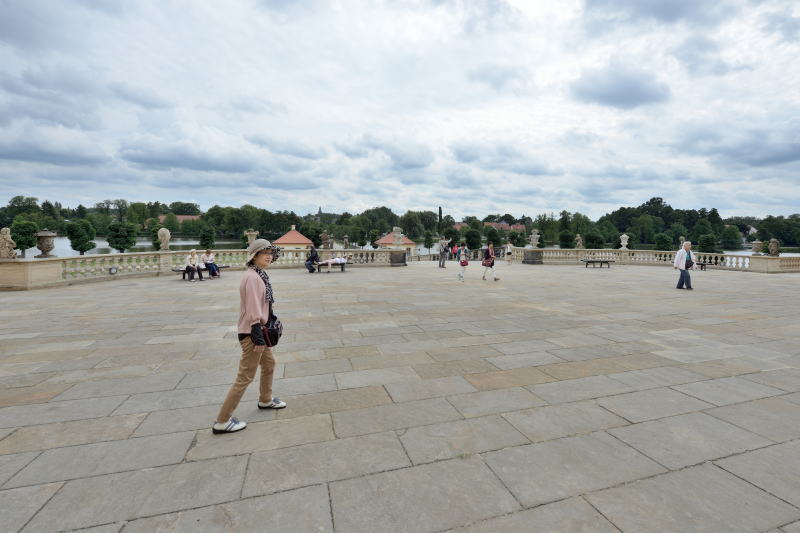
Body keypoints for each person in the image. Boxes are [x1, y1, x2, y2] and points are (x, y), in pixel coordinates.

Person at [213, 239, 286, 435]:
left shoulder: (258, 274)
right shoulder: (253, 278)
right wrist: (257, 335)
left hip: (258, 330)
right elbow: (253, 307)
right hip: (253, 332)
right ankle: (222, 421)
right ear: (254, 256)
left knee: (269, 364)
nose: (269, 256)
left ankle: (265, 400)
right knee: (245, 377)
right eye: (265, 253)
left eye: (271, 253)